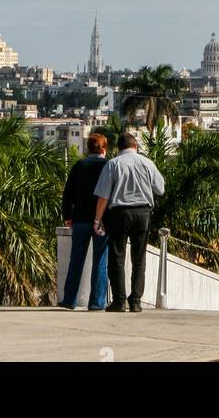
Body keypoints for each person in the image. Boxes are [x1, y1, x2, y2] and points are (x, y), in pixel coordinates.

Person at [93, 133, 165, 314]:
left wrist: (97, 219)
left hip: (119, 213)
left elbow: (103, 195)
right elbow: (160, 189)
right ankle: (136, 301)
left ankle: (119, 301)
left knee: (117, 257)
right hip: (143, 213)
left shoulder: (113, 164)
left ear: (119, 148)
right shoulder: (148, 163)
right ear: (136, 146)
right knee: (139, 258)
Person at [60, 131, 110, 311]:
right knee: (100, 260)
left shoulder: (79, 166)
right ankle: (97, 302)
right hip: (102, 221)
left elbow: (68, 193)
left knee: (76, 259)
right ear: (104, 148)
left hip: (80, 219)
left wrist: (67, 216)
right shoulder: (108, 166)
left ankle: (69, 299)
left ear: (88, 148)